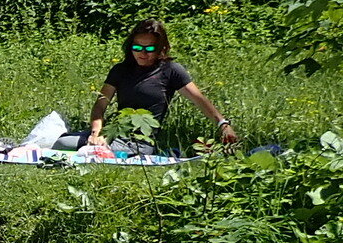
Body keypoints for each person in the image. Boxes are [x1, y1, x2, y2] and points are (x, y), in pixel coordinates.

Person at [82, 19, 238, 151]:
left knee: (91, 150)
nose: (142, 53)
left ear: (161, 49)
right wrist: (97, 132)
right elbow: (100, 105)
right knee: (63, 142)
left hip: (141, 141)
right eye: (137, 48)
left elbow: (199, 100)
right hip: (114, 132)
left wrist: (223, 125)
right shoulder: (120, 70)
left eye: (149, 48)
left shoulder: (171, 71)